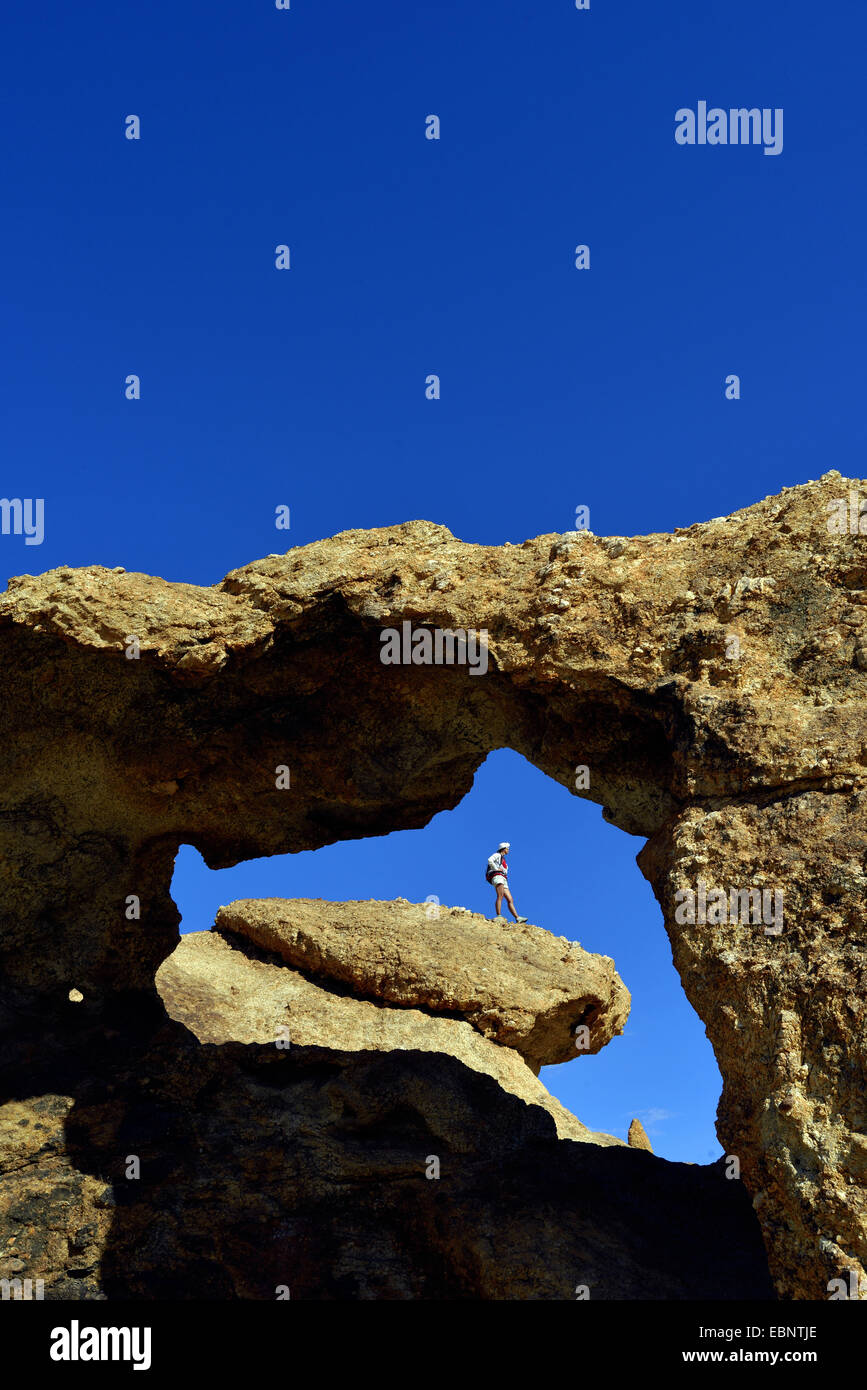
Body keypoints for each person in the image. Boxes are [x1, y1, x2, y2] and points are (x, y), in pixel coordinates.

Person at [485, 841, 528, 923]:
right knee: (500, 895)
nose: (508, 850)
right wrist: (495, 868)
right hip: (497, 876)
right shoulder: (497, 855)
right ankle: (499, 915)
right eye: (507, 849)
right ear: (503, 849)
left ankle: (517, 918)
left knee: (510, 899)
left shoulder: (503, 859)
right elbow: (490, 860)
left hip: (503, 878)